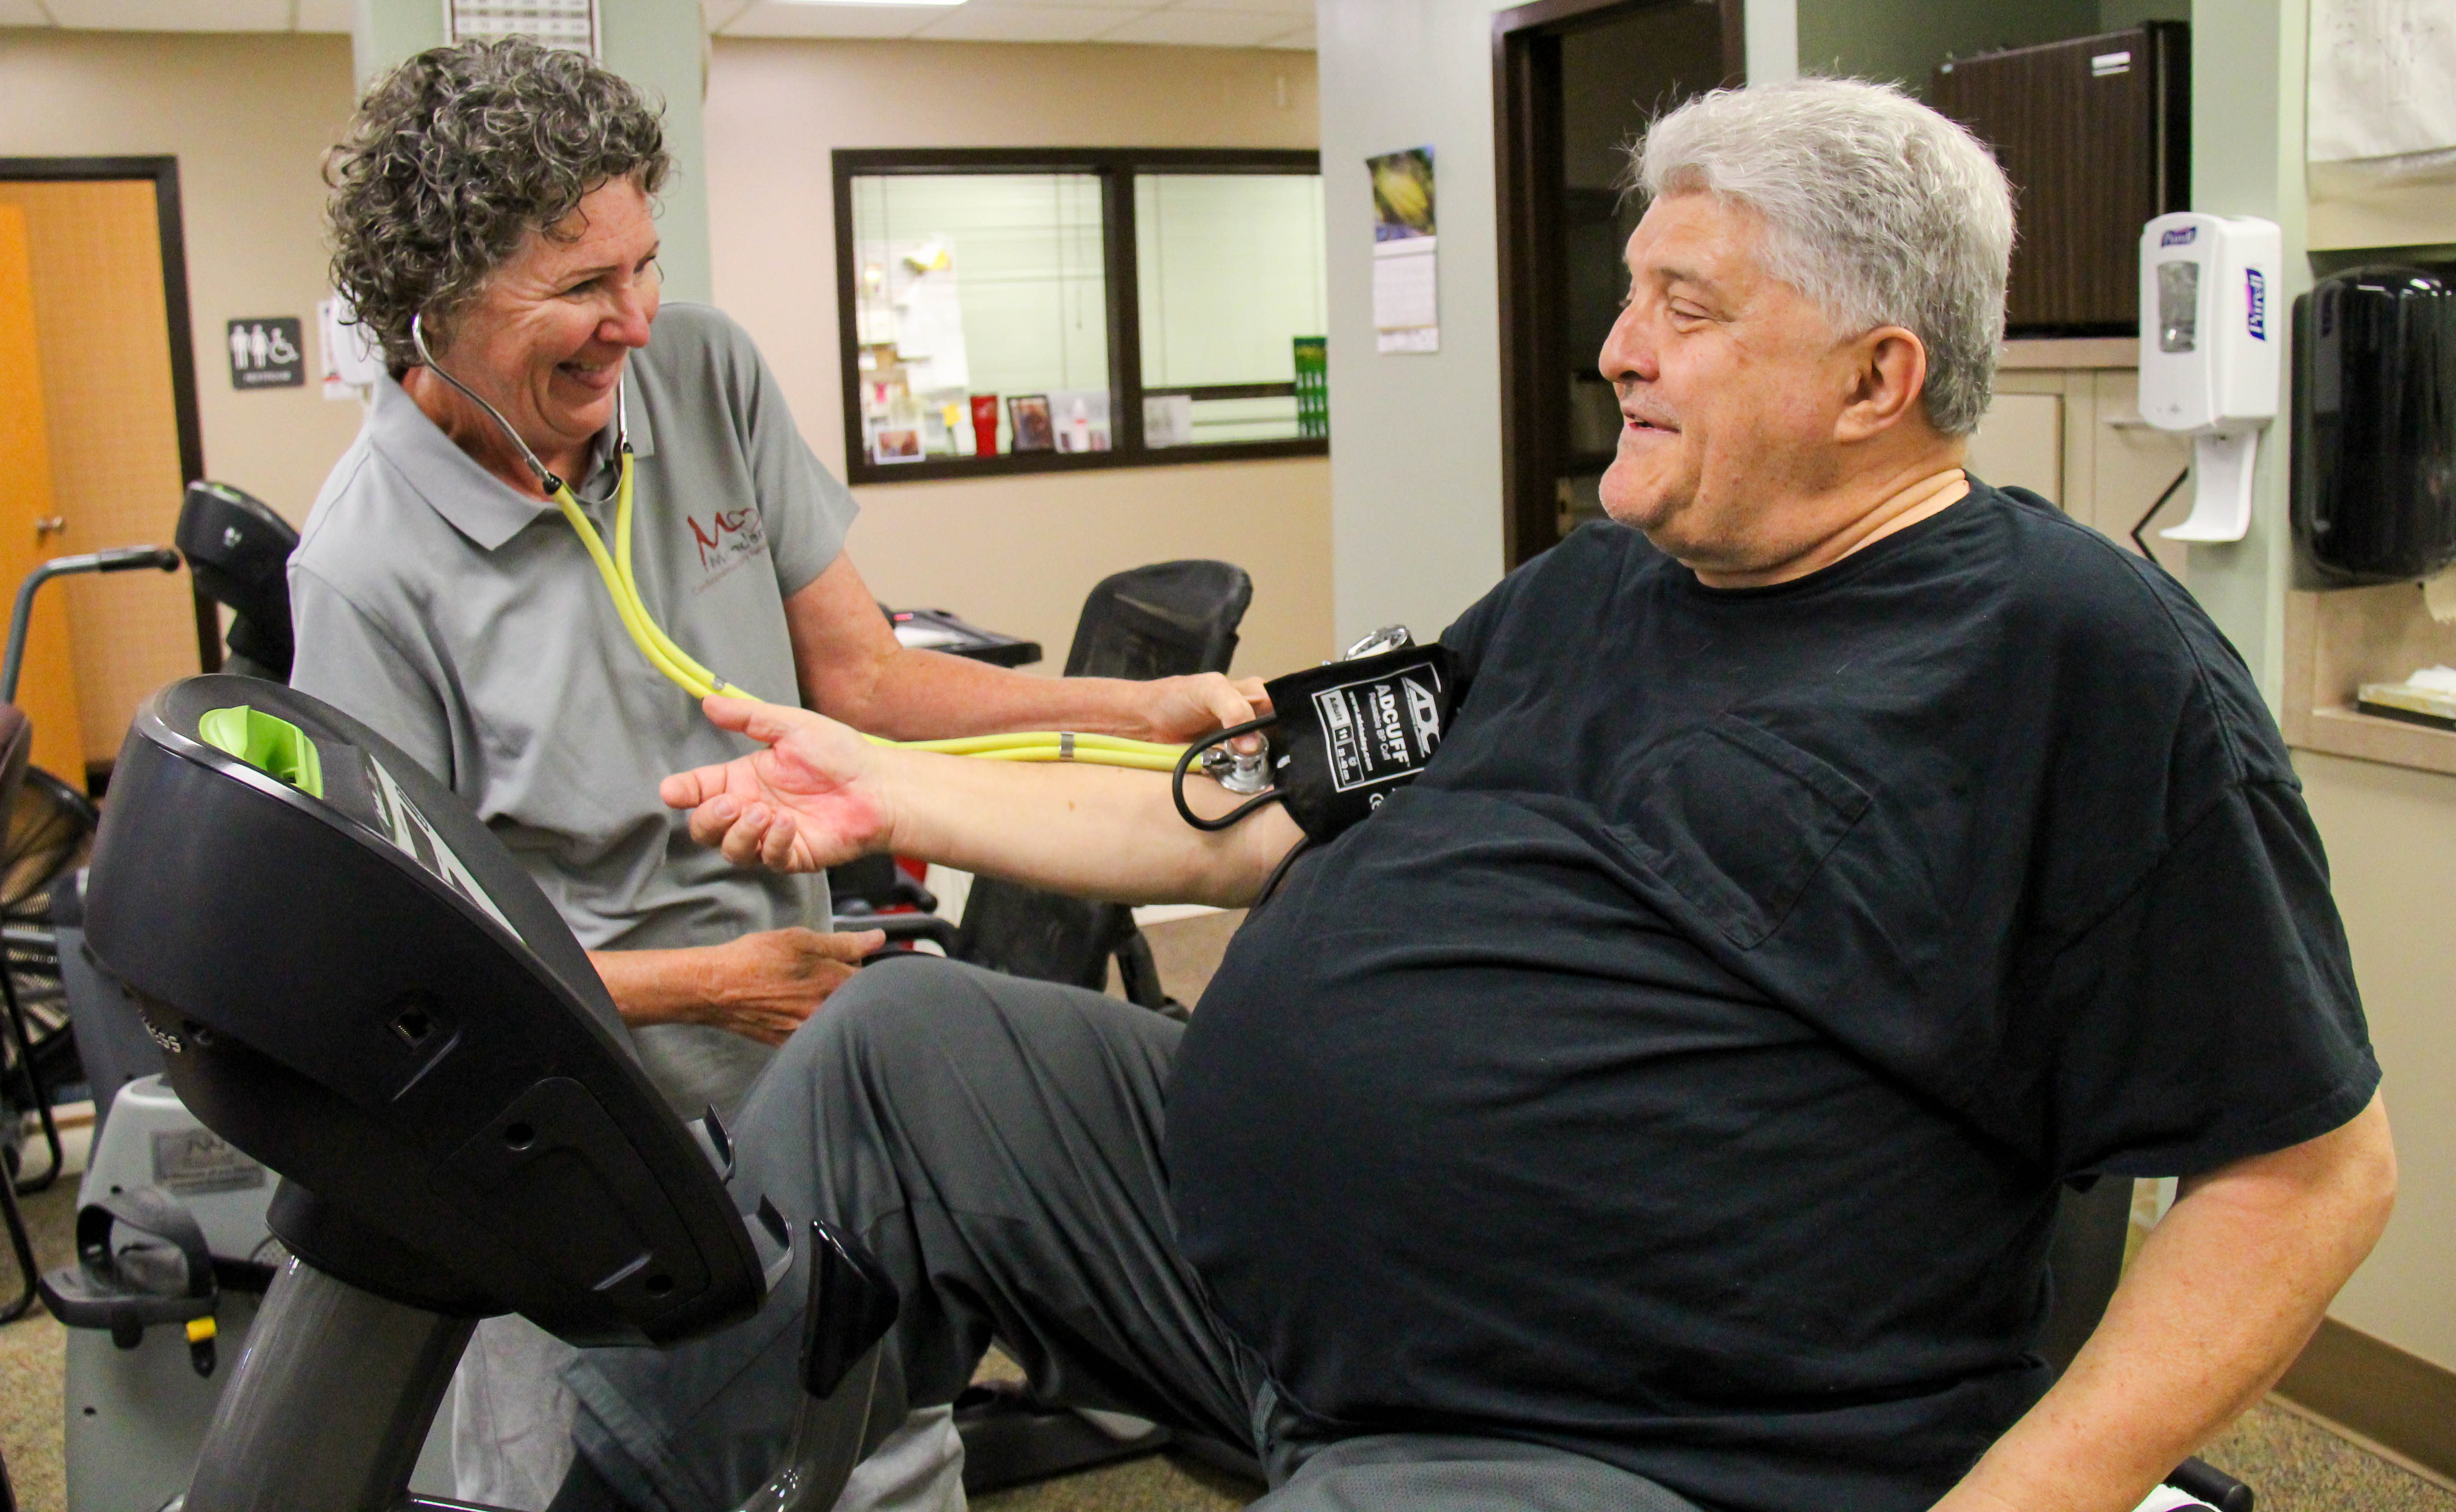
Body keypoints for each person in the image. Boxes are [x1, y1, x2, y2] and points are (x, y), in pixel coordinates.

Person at [563, 78, 2397, 1512]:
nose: (1619, 348)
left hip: (1620, 1431)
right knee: (913, 1048)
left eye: (1686, 308)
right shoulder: (1588, 584)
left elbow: (2307, 1172)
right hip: (1279, 1281)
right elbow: (1241, 814)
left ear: (1876, 378)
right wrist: (892, 782)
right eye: (1632, 296)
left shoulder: (2078, 658)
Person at [294, 37, 1255, 1510]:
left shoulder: (702, 375)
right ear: (434, 314)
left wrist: (1143, 711)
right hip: (588, 1145)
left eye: (643, 263)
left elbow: (865, 680)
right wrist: (712, 986)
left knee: (870, 1456)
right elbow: (403, 973)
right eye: (579, 287)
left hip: (809, 1072)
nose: (635, 320)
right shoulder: (366, 569)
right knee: (628, 1477)